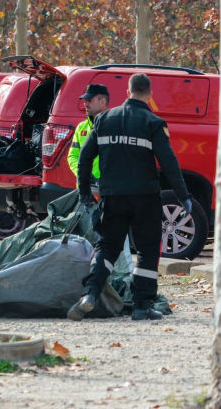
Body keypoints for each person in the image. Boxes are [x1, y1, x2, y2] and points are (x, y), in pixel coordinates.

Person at [69, 72, 192, 322]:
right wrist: (183, 196)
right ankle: (141, 306)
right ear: (149, 95)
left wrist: (84, 194)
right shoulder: (153, 122)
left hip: (112, 196)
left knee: (108, 247)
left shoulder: (104, 120)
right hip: (145, 197)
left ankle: (90, 294)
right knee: (147, 250)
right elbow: (169, 162)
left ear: (127, 93)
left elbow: (83, 159)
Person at [66, 84, 109, 183]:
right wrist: (84, 174)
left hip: (108, 189)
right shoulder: (81, 128)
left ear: (102, 102)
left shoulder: (115, 126)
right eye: (85, 100)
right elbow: (72, 156)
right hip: (86, 188)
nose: (85, 104)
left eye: (89, 100)